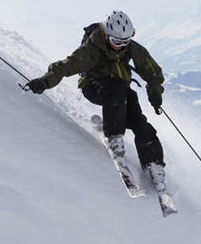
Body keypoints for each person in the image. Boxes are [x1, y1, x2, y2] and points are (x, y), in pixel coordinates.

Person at [25, 10, 168, 191]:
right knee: (117, 91)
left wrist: (155, 92)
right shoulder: (92, 49)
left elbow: (152, 71)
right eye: (117, 42)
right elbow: (65, 67)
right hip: (94, 87)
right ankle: (114, 137)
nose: (121, 46)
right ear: (107, 35)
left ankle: (154, 165)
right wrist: (43, 82)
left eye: (125, 41)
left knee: (140, 122)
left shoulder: (130, 48)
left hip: (120, 91)